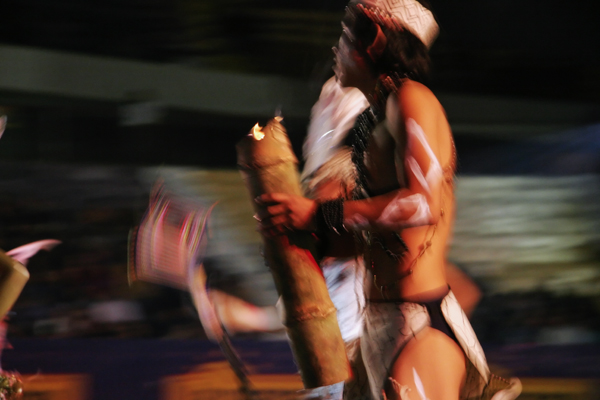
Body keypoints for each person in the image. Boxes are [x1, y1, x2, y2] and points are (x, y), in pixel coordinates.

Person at [257, 1, 521, 399]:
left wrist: (317, 213)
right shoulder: (370, 124)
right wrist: (299, 237)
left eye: (346, 36)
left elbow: (421, 204)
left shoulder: (413, 99)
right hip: (378, 326)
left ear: (375, 38)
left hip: (421, 327)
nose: (336, 49)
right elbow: (367, 236)